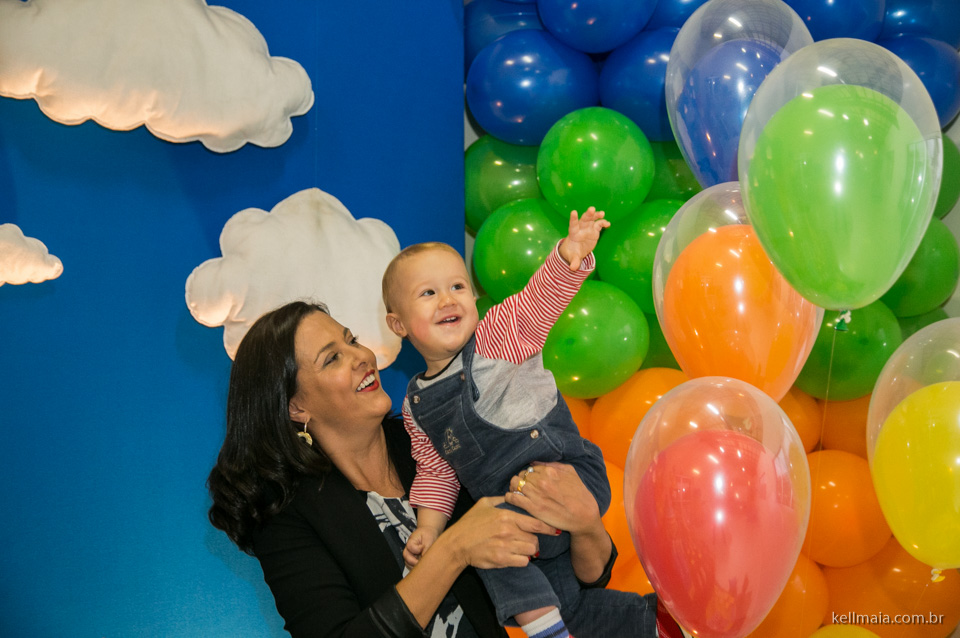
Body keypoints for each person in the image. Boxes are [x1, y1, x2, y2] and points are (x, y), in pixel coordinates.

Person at [206, 300, 676, 638]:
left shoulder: (432, 441)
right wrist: (454, 548)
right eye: (333, 358)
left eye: (350, 340)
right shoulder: (287, 518)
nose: (362, 357)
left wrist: (586, 524)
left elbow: (584, 581)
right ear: (296, 408)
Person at [381, 208, 661, 638]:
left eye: (458, 286)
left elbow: (536, 303)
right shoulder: (417, 404)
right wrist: (428, 529)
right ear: (397, 324)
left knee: (490, 542)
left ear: (474, 299)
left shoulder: (496, 336)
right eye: (428, 293)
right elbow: (436, 473)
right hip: (527, 521)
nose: (448, 299)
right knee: (561, 597)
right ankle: (650, 624)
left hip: (570, 475)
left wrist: (569, 255)